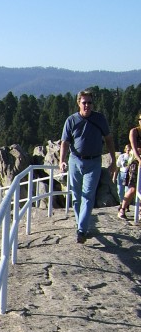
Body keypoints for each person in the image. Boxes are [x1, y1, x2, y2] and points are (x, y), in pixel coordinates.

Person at [59, 89, 117, 243]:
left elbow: (109, 139)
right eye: (84, 102)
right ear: (79, 103)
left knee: (88, 195)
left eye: (89, 102)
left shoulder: (100, 119)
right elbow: (65, 142)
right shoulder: (71, 120)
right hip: (75, 160)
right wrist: (62, 160)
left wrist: (113, 160)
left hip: (94, 161)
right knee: (76, 196)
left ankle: (82, 230)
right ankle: (81, 225)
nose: (87, 106)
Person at [117, 112, 141, 219]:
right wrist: (140, 160)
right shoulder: (134, 132)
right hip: (135, 163)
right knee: (132, 189)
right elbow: (134, 149)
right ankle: (122, 208)